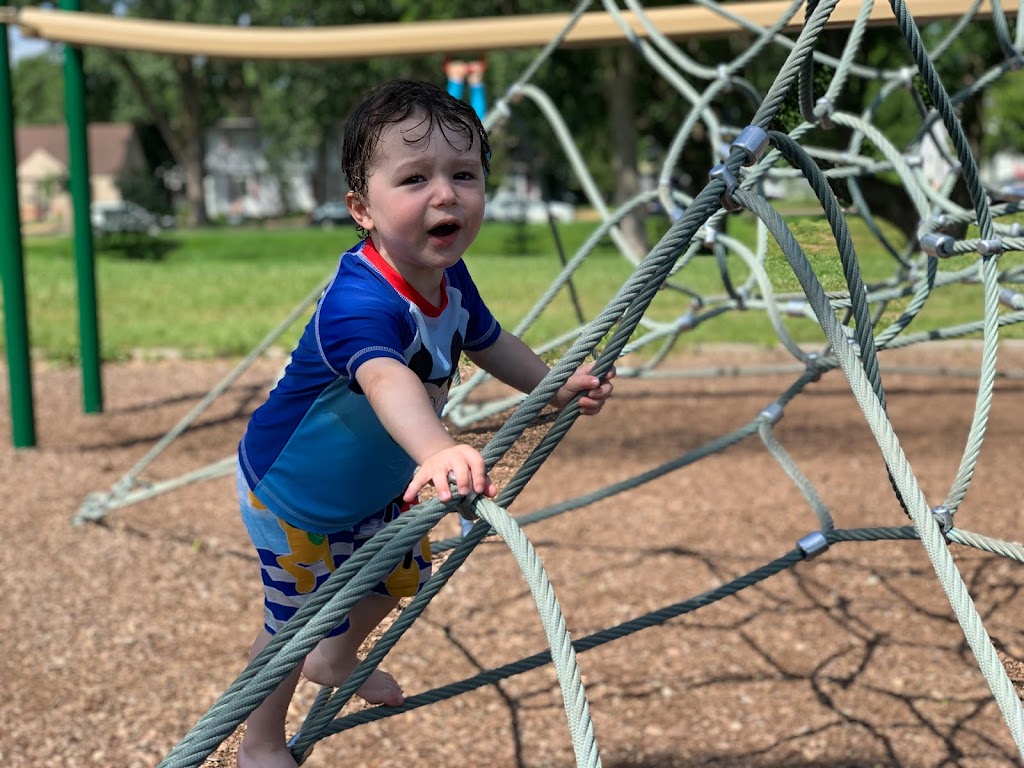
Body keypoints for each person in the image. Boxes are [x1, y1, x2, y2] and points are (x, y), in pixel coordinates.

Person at [234, 79, 614, 768]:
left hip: (375, 486)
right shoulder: (359, 299)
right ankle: (258, 740)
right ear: (362, 209)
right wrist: (438, 448)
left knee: (397, 576)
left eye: (463, 174)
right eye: (415, 178)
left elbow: (491, 341)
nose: (446, 195)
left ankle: (336, 657)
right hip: (292, 492)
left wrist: (555, 386)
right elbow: (387, 379)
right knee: (290, 621)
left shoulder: (452, 277)